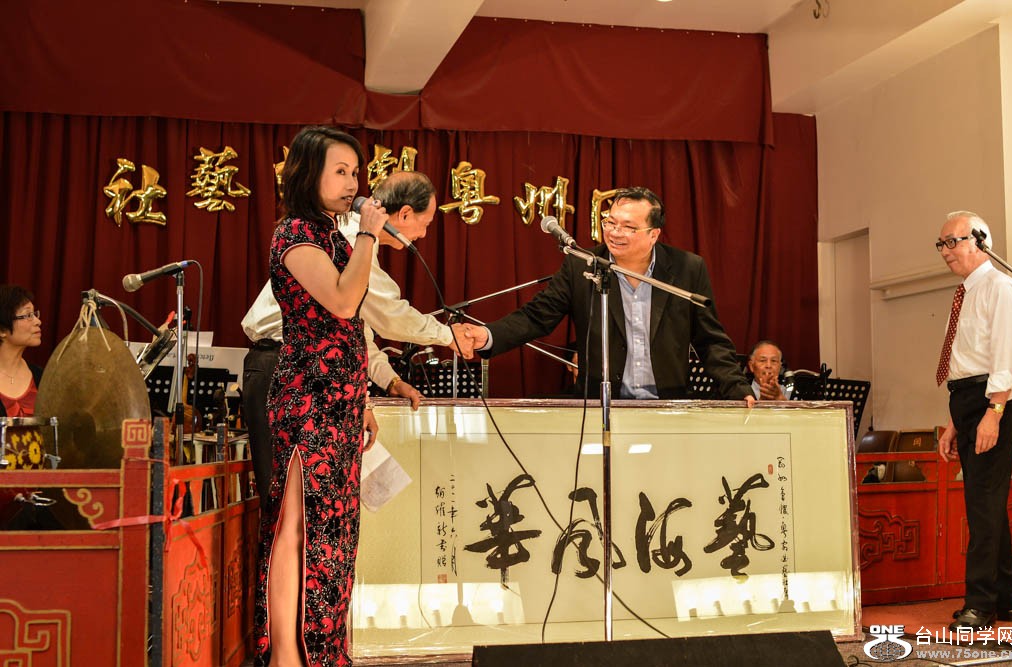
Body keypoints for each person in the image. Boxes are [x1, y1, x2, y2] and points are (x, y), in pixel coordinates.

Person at [242, 169, 462, 512]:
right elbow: (386, 313)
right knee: (290, 501)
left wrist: (389, 381)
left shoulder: (357, 236)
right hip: (285, 366)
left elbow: (356, 331)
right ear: (404, 214)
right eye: (425, 223)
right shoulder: (350, 236)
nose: (423, 234)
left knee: (324, 500)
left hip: (319, 370)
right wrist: (449, 336)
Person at [253, 126, 388, 667]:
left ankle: (327, 650)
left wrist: (365, 400)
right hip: (307, 399)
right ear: (309, 174)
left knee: (334, 529)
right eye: (341, 171)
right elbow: (341, 302)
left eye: (355, 172)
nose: (352, 183)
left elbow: (350, 330)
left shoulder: (332, 235)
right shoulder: (295, 235)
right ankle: (287, 654)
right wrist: (369, 235)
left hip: (341, 401)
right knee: (297, 526)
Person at [457, 187, 755, 405]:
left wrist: (737, 388)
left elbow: (710, 339)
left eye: (628, 227)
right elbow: (537, 317)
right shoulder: (582, 265)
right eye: (611, 222)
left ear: (653, 234)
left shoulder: (687, 268)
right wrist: (487, 335)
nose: (615, 232)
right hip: (601, 404)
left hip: (666, 404)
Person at [935, 211, 1012, 631]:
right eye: (941, 244)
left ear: (980, 241)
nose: (945, 251)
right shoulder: (966, 291)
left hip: (995, 400)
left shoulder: (1000, 287)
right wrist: (955, 423)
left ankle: (980, 604)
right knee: (986, 503)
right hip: (968, 400)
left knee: (982, 504)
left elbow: (1005, 358)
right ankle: (1005, 598)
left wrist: (994, 413)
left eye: (952, 241)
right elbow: (966, 363)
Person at [0, 285, 43, 418]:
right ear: (2, 330)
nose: (38, 321)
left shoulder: (42, 377)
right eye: (28, 315)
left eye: (35, 314)